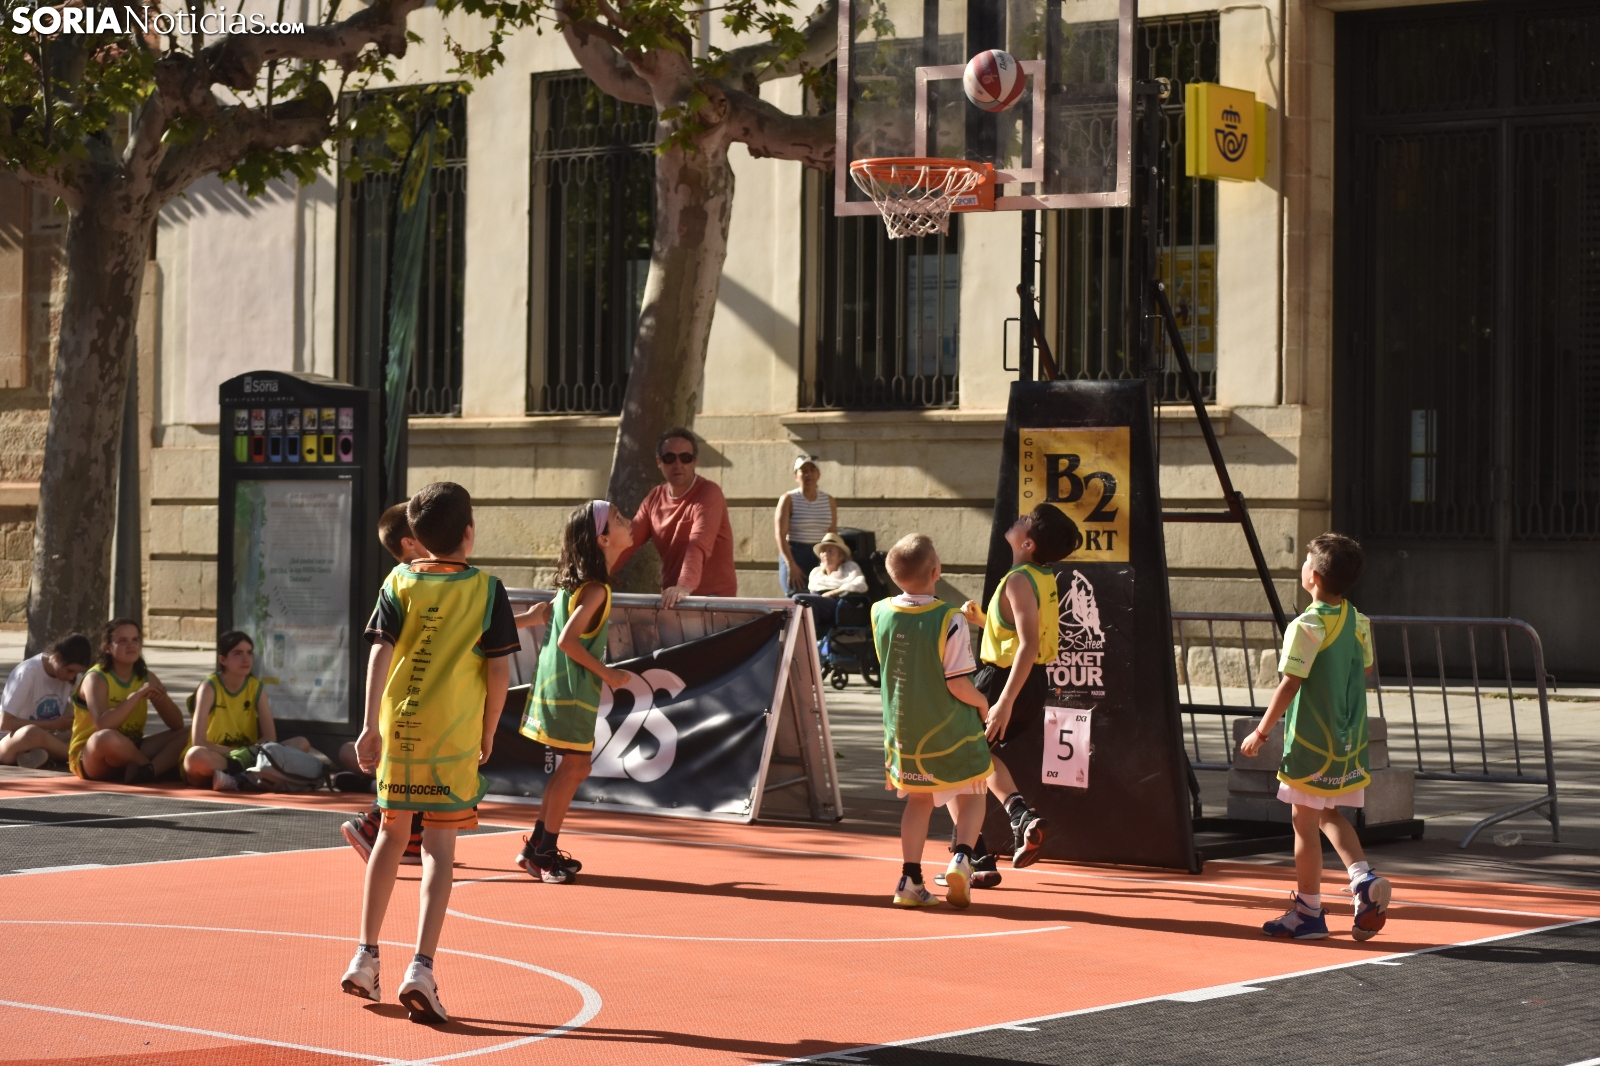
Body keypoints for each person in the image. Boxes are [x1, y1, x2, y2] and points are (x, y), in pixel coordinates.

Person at [341, 481, 517, 1024]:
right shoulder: (487, 589)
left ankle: (365, 955)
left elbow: (380, 652)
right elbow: (499, 670)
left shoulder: (398, 581)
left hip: (401, 727)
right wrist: (489, 730)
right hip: (453, 732)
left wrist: (369, 726)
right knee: (439, 847)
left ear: (416, 535)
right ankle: (421, 967)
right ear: (469, 531)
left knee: (390, 836)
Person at [340, 501, 551, 863]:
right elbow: (465, 636)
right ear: (411, 541)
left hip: (404, 712)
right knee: (426, 824)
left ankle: (393, 835)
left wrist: (370, 722)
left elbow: (462, 633)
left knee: (406, 807)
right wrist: (488, 729)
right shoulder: (416, 581)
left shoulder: (411, 582)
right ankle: (376, 825)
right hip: (441, 712)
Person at [1241, 533, 1391, 941]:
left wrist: (1261, 731)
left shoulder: (1307, 625)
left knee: (1302, 823)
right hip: (1347, 739)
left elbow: (1290, 683)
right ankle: (1362, 878)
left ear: (1314, 576)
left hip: (1312, 741)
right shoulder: (1358, 620)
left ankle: (1308, 911)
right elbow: (1364, 670)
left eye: (1307, 561)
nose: (1303, 566)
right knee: (1328, 814)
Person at [514, 499, 634, 884]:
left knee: (571, 766)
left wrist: (497, 627)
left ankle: (536, 847)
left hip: (554, 690)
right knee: (577, 767)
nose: (628, 521)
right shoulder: (595, 589)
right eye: (618, 519)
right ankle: (543, 854)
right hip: (570, 692)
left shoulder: (576, 586)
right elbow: (567, 641)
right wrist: (608, 674)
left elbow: (541, 615)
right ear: (603, 539)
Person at [959, 504, 1082, 876]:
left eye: (1025, 520)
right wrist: (985, 620)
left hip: (1005, 682)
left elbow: (1028, 644)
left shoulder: (1018, 580)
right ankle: (1016, 821)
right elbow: (1022, 633)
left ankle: (976, 854)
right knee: (976, 756)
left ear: (1028, 543)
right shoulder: (1040, 576)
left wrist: (1004, 701)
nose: (1018, 519)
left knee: (957, 757)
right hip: (1030, 680)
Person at [873, 533, 991, 909]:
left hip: (904, 728)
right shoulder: (949, 617)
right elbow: (957, 683)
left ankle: (910, 878)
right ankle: (962, 859)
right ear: (936, 570)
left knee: (918, 801)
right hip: (949, 726)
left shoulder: (879, 611)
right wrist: (983, 702)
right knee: (974, 792)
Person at [616, 427, 736, 607]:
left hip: (713, 601)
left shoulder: (709, 493)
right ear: (659, 462)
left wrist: (684, 586)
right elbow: (626, 542)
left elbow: (698, 544)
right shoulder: (654, 499)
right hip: (674, 601)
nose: (677, 464)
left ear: (694, 462)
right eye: (669, 458)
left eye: (685, 458)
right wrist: (590, 576)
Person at [181, 631, 314, 791]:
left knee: (301, 743)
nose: (246, 659)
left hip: (248, 756)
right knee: (195, 756)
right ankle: (247, 776)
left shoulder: (256, 687)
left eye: (249, 653)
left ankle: (237, 778)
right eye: (238, 653)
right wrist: (238, 753)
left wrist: (247, 754)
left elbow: (270, 738)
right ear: (223, 660)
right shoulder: (209, 687)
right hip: (218, 756)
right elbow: (199, 742)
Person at [68, 619, 186, 783]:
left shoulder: (146, 676)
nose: (131, 645)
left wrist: (162, 698)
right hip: (93, 756)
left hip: (132, 747)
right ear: (107, 648)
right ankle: (151, 768)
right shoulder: (96, 678)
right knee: (106, 737)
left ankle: (150, 771)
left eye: (135, 640)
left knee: (189, 732)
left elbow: (177, 724)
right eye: (122, 641)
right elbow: (103, 724)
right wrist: (136, 696)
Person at [0, 634, 92, 769]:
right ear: (57, 657)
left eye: (76, 673)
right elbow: (5, 723)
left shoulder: (73, 677)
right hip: (9, 740)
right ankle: (78, 757)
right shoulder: (27, 673)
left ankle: (37, 756)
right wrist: (52, 724)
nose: (71, 676)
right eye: (70, 671)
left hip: (47, 738)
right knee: (32, 733)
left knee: (87, 733)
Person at [775, 455, 837, 597]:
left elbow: (832, 534)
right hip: (795, 554)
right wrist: (791, 564)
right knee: (796, 597)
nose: (808, 474)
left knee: (819, 598)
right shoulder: (788, 499)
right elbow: (780, 535)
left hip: (820, 555)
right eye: (804, 471)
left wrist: (832, 561)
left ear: (818, 475)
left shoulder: (829, 501)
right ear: (796, 476)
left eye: (812, 470)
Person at [794, 531, 868, 631]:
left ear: (841, 556)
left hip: (839, 604)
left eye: (830, 551)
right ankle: (813, 636)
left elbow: (861, 585)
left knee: (797, 598)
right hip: (820, 604)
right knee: (808, 608)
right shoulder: (816, 572)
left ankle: (812, 634)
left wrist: (833, 592)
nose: (826, 554)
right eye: (823, 551)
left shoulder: (850, 567)